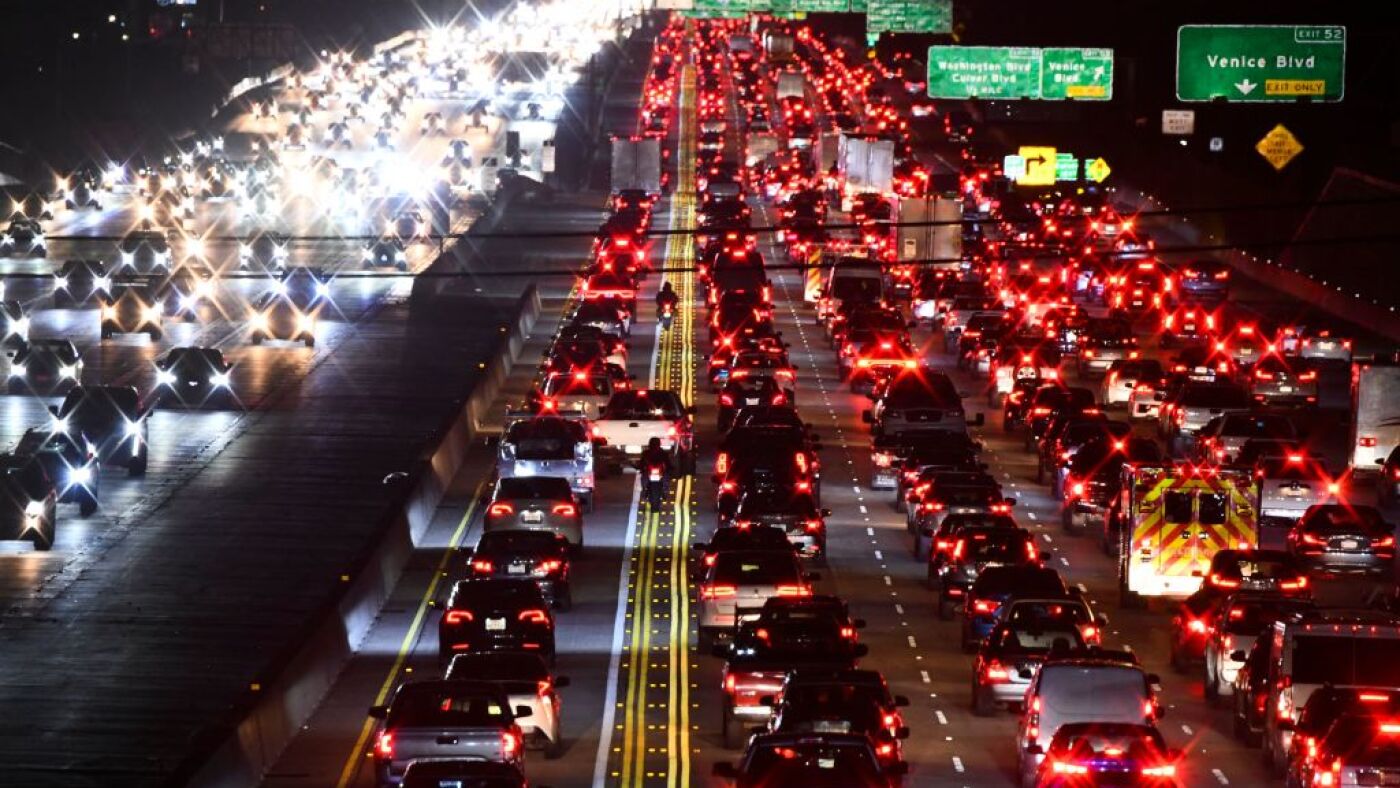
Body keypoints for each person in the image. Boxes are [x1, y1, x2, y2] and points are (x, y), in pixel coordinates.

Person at [638, 437, 672, 511]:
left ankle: (663, 492)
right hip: (650, 474)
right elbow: (642, 464)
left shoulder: (661, 453)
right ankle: (646, 492)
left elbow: (668, 464)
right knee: (644, 481)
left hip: (659, 474)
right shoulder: (649, 453)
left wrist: (670, 469)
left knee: (665, 480)